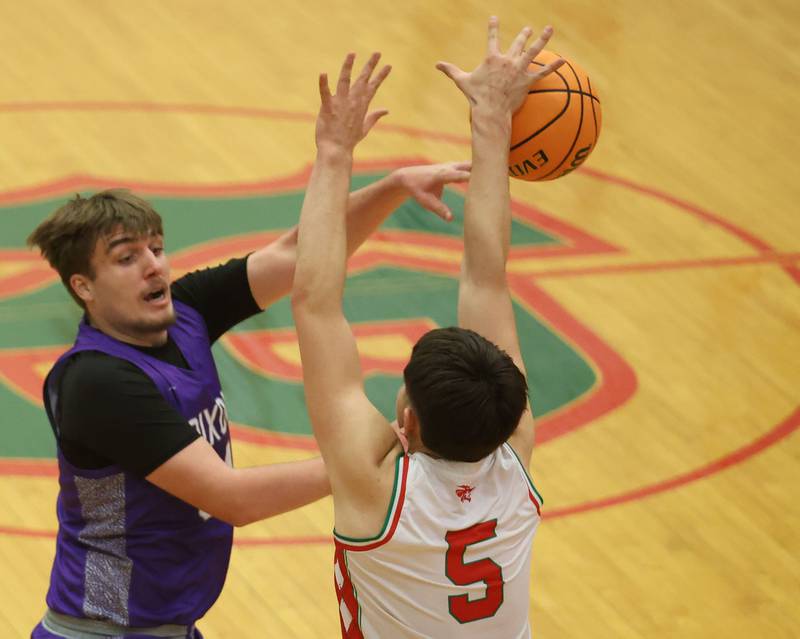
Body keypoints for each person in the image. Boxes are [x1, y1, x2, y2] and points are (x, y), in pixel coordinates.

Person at [27, 160, 470, 637]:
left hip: (165, 627)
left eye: (155, 248)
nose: (154, 264)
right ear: (83, 286)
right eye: (126, 257)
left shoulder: (186, 311)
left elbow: (301, 253)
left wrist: (393, 187)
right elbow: (232, 499)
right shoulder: (97, 382)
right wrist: (371, 458)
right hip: (102, 630)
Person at [291, 17, 564, 638]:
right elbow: (486, 280)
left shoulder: (377, 486)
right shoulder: (513, 456)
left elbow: (313, 300)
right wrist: (494, 123)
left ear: (406, 420)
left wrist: (335, 153)